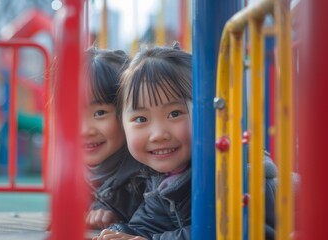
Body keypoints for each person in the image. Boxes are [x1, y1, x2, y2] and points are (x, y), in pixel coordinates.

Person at [94, 43, 277, 240]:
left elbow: (223, 232)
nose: (158, 134)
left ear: (208, 112)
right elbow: (147, 225)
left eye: (174, 114)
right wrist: (119, 232)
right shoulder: (163, 179)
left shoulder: (235, 171)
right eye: (141, 119)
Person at [82, 47, 150, 230]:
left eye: (100, 113)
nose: (84, 130)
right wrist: (96, 208)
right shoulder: (79, 170)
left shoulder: (148, 170)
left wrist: (120, 220)